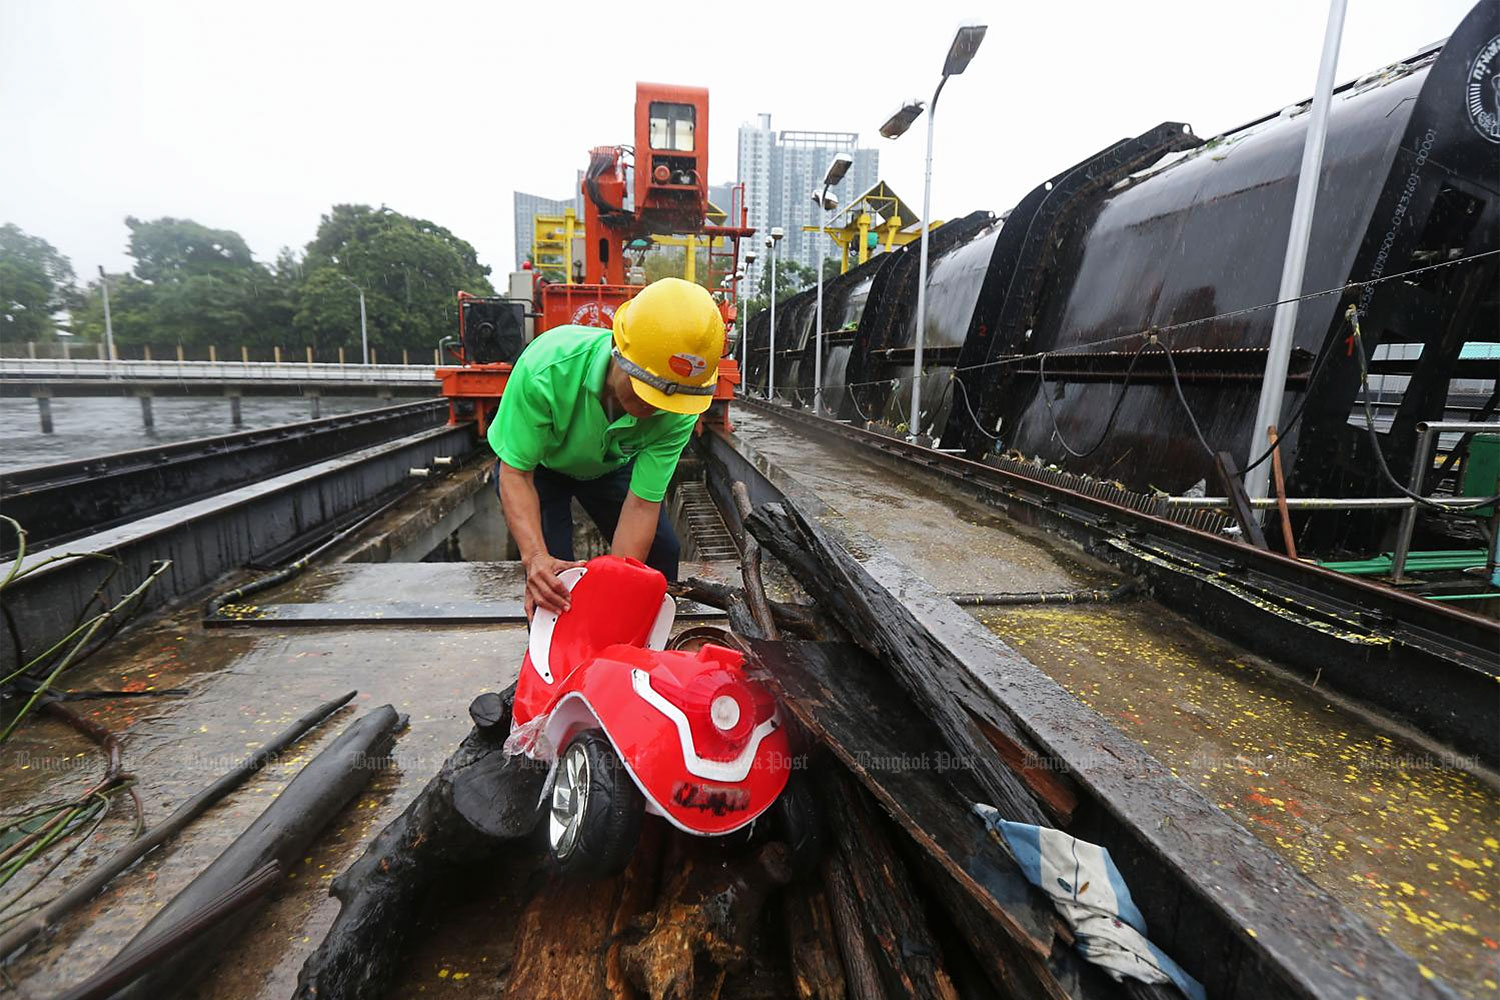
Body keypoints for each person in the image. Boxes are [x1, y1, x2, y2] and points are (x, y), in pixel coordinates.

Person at [489, 277, 723, 618]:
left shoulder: (681, 405)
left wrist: (615, 592)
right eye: (647, 389)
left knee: (658, 559)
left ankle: (636, 657)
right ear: (618, 348)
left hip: (609, 465)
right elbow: (515, 471)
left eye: (668, 400)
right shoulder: (548, 366)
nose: (656, 408)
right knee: (553, 582)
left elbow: (642, 503)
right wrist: (535, 559)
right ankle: (554, 663)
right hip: (539, 469)